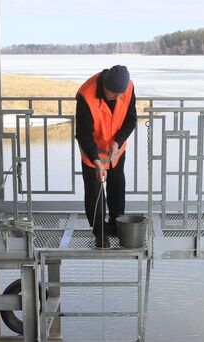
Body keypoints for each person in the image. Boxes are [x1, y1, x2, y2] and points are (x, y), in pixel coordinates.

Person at [75, 65, 137, 248]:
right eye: (112, 94)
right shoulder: (86, 95)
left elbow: (131, 119)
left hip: (115, 152)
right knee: (95, 193)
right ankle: (100, 232)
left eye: (119, 94)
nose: (117, 98)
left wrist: (118, 141)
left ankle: (117, 225)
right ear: (104, 87)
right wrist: (95, 161)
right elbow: (83, 133)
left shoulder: (128, 87)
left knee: (117, 186)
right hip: (93, 154)